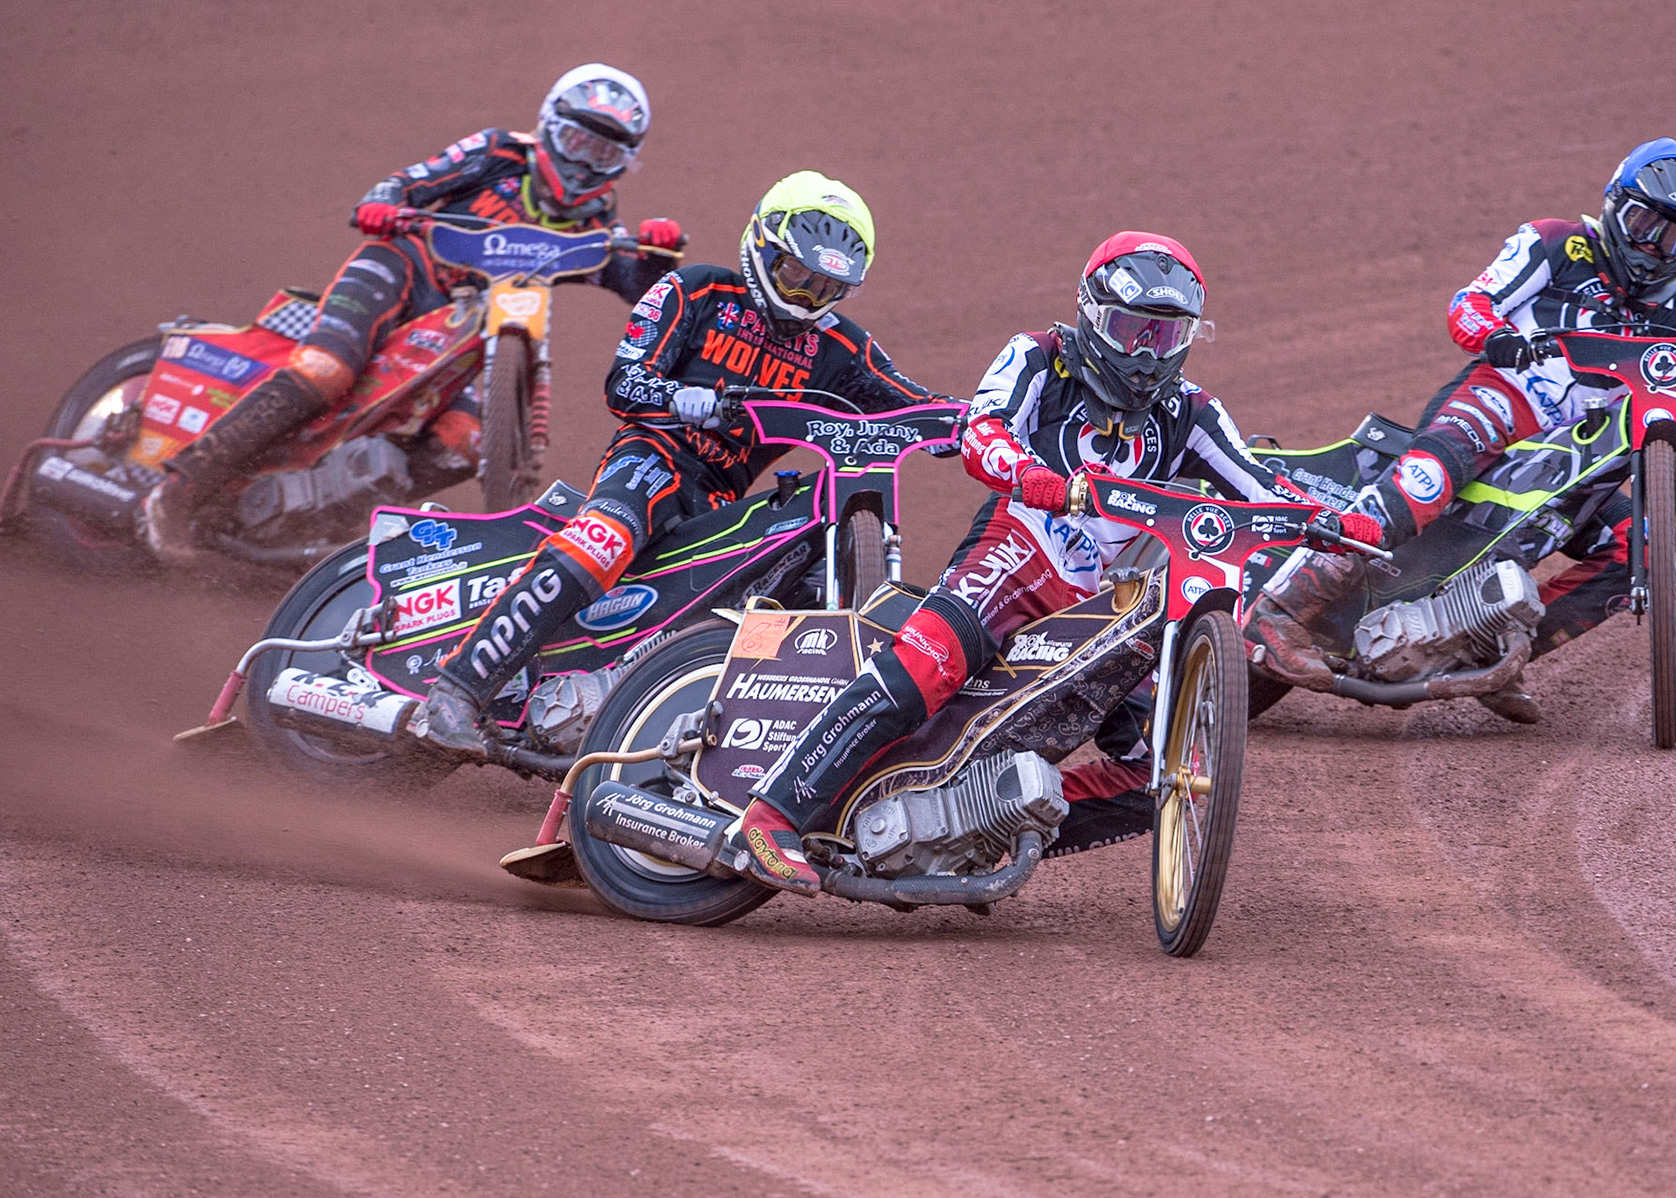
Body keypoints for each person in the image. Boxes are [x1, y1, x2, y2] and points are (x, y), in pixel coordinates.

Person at [731, 231, 1383, 895]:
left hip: (1093, 601)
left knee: (1153, 770)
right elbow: (981, 433)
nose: (1145, 353)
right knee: (929, 663)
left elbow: (1254, 483)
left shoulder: (1192, 411)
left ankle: (984, 828)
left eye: (1166, 336)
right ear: (1093, 314)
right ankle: (773, 811)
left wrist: (1332, 521)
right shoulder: (1038, 358)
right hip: (1015, 547)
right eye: (1132, 329)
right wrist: (1031, 475)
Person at [1247, 138, 1676, 720]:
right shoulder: (1554, 244)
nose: (1655, 246)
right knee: (1422, 485)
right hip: (1499, 404)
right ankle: (1281, 615)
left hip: (1579, 458)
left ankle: (1492, 651)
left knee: (1648, 548)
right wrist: (1494, 337)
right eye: (1644, 222)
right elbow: (1471, 303)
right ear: (1612, 203)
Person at [419, 171, 941, 752]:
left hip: (721, 501)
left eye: (824, 289)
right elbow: (622, 384)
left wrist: (983, 423)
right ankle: (457, 690)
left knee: (781, 589)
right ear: (762, 246)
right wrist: (674, 397)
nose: (805, 298)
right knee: (604, 538)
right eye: (797, 275)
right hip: (652, 458)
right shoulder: (694, 292)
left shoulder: (842, 349)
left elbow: (916, 404)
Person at [139, 63, 685, 559]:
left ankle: (315, 521)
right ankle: (179, 489)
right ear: (548, 126)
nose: (586, 163)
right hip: (402, 270)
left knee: (465, 440)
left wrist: (656, 255)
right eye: (576, 141)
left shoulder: (596, 223)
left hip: (471, 334)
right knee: (327, 371)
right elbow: (407, 183)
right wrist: (383, 204)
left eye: (605, 154)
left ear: (626, 163)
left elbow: (639, 289)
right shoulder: (497, 153)